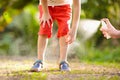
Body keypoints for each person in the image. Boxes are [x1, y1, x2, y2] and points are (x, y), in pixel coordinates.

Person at [30, 0, 81, 72]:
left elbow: (76, 6)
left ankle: (63, 61)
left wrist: (74, 29)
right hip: (46, 6)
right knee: (45, 27)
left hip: (64, 6)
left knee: (65, 29)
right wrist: (45, 13)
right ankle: (39, 61)